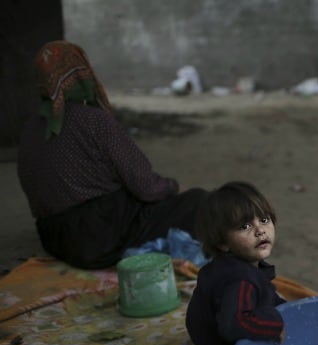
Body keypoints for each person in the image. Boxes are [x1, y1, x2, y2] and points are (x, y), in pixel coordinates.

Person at [17, 40, 206, 269]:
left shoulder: (30, 129)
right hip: (101, 235)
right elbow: (145, 186)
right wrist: (174, 187)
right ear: (81, 72)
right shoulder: (93, 120)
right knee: (198, 202)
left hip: (55, 239)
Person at [185, 181, 285, 345]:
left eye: (264, 220)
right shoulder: (240, 279)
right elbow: (236, 323)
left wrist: (285, 309)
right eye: (245, 226)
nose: (260, 231)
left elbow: (267, 297)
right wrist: (278, 324)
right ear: (222, 242)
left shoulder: (243, 265)